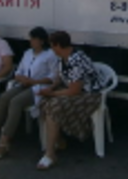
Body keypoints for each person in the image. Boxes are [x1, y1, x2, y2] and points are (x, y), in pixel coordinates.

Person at [0, 26, 57, 159]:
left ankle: (5, 141)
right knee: (4, 98)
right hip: (24, 84)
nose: (31, 41)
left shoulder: (50, 55)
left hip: (38, 87)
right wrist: (22, 78)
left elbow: (54, 76)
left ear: (41, 41)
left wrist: (34, 81)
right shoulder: (28, 53)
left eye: (33, 39)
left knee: (16, 102)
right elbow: (18, 71)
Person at [36, 31, 103, 170]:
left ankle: (50, 154)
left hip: (89, 95)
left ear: (58, 46)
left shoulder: (76, 60)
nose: (51, 49)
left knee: (54, 105)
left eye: (52, 46)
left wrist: (53, 94)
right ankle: (58, 139)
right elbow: (61, 78)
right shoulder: (63, 58)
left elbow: (75, 90)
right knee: (44, 102)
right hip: (75, 91)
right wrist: (50, 89)